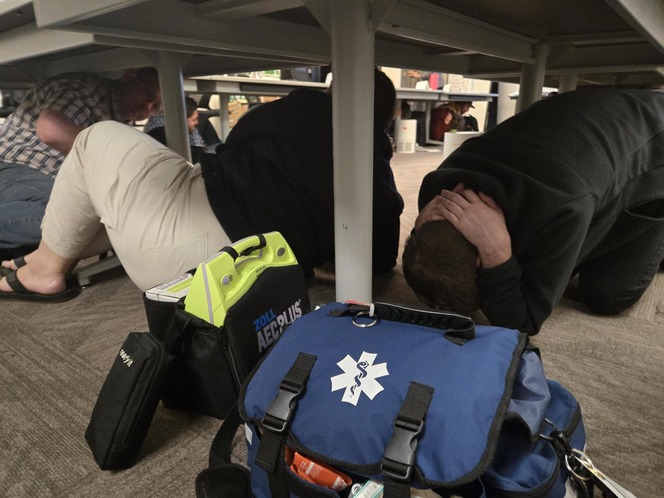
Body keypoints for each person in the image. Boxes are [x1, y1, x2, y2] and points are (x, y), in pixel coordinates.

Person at [0, 68, 404, 301]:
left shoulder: (309, 106)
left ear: (335, 92)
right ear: (388, 119)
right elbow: (382, 260)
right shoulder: (382, 179)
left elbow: (238, 140)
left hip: (180, 248)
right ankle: (41, 254)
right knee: (110, 197)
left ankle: (44, 272)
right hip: (257, 282)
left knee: (94, 140)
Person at [402, 88, 664, 336]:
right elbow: (427, 252)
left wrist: (499, 254)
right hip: (586, 128)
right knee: (551, 266)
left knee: (606, 295)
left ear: (481, 262)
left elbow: (524, 322)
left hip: (655, 141)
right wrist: (420, 233)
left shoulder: (560, 207)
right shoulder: (436, 192)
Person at [0, 68, 162, 258]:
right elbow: (50, 130)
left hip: (41, 179)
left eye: (155, 108)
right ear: (129, 76)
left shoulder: (119, 120)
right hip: (14, 164)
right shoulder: (84, 90)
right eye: (148, 94)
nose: (146, 107)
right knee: (70, 219)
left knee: (93, 217)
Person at [144, 96, 207, 162]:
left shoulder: (187, 126)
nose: (197, 122)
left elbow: (199, 147)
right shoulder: (157, 131)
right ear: (181, 121)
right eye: (193, 119)